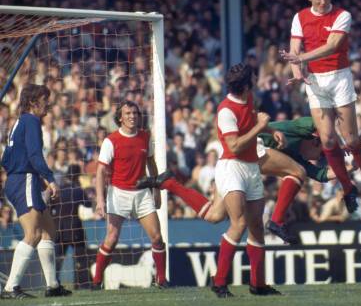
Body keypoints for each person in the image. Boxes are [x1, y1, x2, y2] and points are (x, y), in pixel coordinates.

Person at [138, 116, 334, 245]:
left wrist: (351, 168)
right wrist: (346, 144)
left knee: (214, 216)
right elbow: (321, 121)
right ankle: (276, 221)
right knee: (296, 173)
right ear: (316, 139)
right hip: (248, 147)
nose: (316, 158)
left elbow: (322, 175)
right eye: (320, 153)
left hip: (234, 160)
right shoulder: (300, 128)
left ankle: (169, 183)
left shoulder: (299, 159)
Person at [280, 0, 361, 214]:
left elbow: (332, 46)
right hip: (315, 82)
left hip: (339, 77)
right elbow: (294, 47)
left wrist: (301, 58)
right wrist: (297, 70)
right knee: (327, 139)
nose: (323, 2)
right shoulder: (299, 17)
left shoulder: (342, 15)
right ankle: (348, 188)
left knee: (352, 140)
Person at [210, 63, 285, 298]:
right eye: (252, 77)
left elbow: (252, 119)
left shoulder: (248, 98)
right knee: (239, 223)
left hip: (251, 167)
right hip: (232, 168)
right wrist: (261, 126)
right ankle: (219, 282)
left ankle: (258, 284)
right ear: (245, 85)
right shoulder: (225, 111)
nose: (254, 79)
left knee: (256, 228)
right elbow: (234, 145)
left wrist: (270, 129)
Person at [1, 84, 71, 299]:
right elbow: (34, 154)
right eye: (44, 98)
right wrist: (49, 179)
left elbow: (6, 159)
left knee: (48, 230)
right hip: (24, 180)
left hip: (20, 179)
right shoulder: (31, 121)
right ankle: (11, 287)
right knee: (33, 234)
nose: (48, 103)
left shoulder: (19, 122)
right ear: (33, 102)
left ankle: (52, 286)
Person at [92, 100, 168, 289]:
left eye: (135, 113)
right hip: (118, 194)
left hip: (142, 193)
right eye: (127, 113)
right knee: (112, 238)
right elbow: (100, 172)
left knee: (157, 237)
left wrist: (156, 189)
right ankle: (96, 281)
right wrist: (100, 200)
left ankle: (161, 279)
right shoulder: (111, 141)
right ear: (120, 118)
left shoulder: (144, 137)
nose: (132, 116)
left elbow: (151, 164)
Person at [51, 164, 93, 289]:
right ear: (78, 176)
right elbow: (88, 205)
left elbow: (51, 207)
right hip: (75, 228)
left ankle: (53, 283)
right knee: (81, 258)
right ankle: (82, 284)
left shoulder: (59, 189)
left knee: (57, 260)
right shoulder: (78, 190)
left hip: (59, 229)